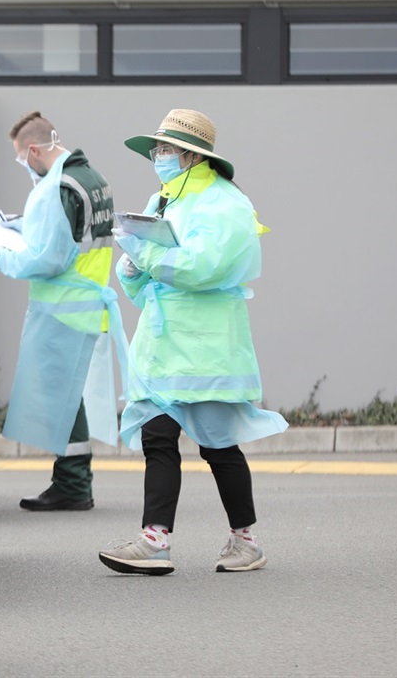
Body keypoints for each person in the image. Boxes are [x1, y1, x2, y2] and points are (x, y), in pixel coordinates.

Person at [98, 109, 288, 575]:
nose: (157, 157)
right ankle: (155, 541)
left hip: (206, 347)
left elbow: (203, 268)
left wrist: (142, 254)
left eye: (163, 150)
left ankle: (245, 541)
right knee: (157, 435)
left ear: (189, 153)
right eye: (156, 150)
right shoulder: (166, 198)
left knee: (218, 444)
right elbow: (152, 280)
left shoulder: (225, 203)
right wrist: (131, 269)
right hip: (165, 341)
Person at [0, 111, 125, 512]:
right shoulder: (91, 178)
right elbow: (73, 236)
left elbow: (47, 259)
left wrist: (0, 253)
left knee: (64, 397)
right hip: (87, 303)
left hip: (62, 306)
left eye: (21, 157)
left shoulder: (58, 187)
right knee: (70, 396)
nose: (23, 164)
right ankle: (72, 480)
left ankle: (72, 483)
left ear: (33, 149)